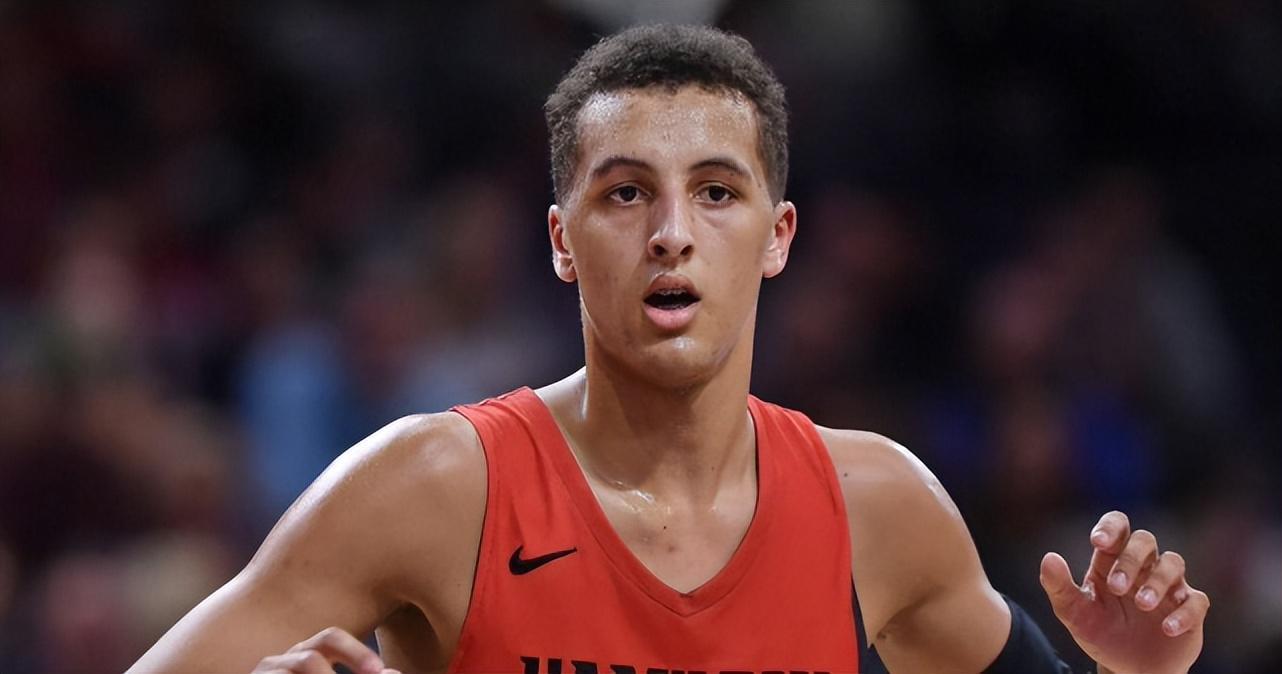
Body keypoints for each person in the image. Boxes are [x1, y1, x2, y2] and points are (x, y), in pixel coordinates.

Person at [128, 25, 1208, 674]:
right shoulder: (433, 486)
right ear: (562, 241)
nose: (672, 232)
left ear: (778, 236)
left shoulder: (877, 508)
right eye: (626, 193)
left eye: (718, 191)